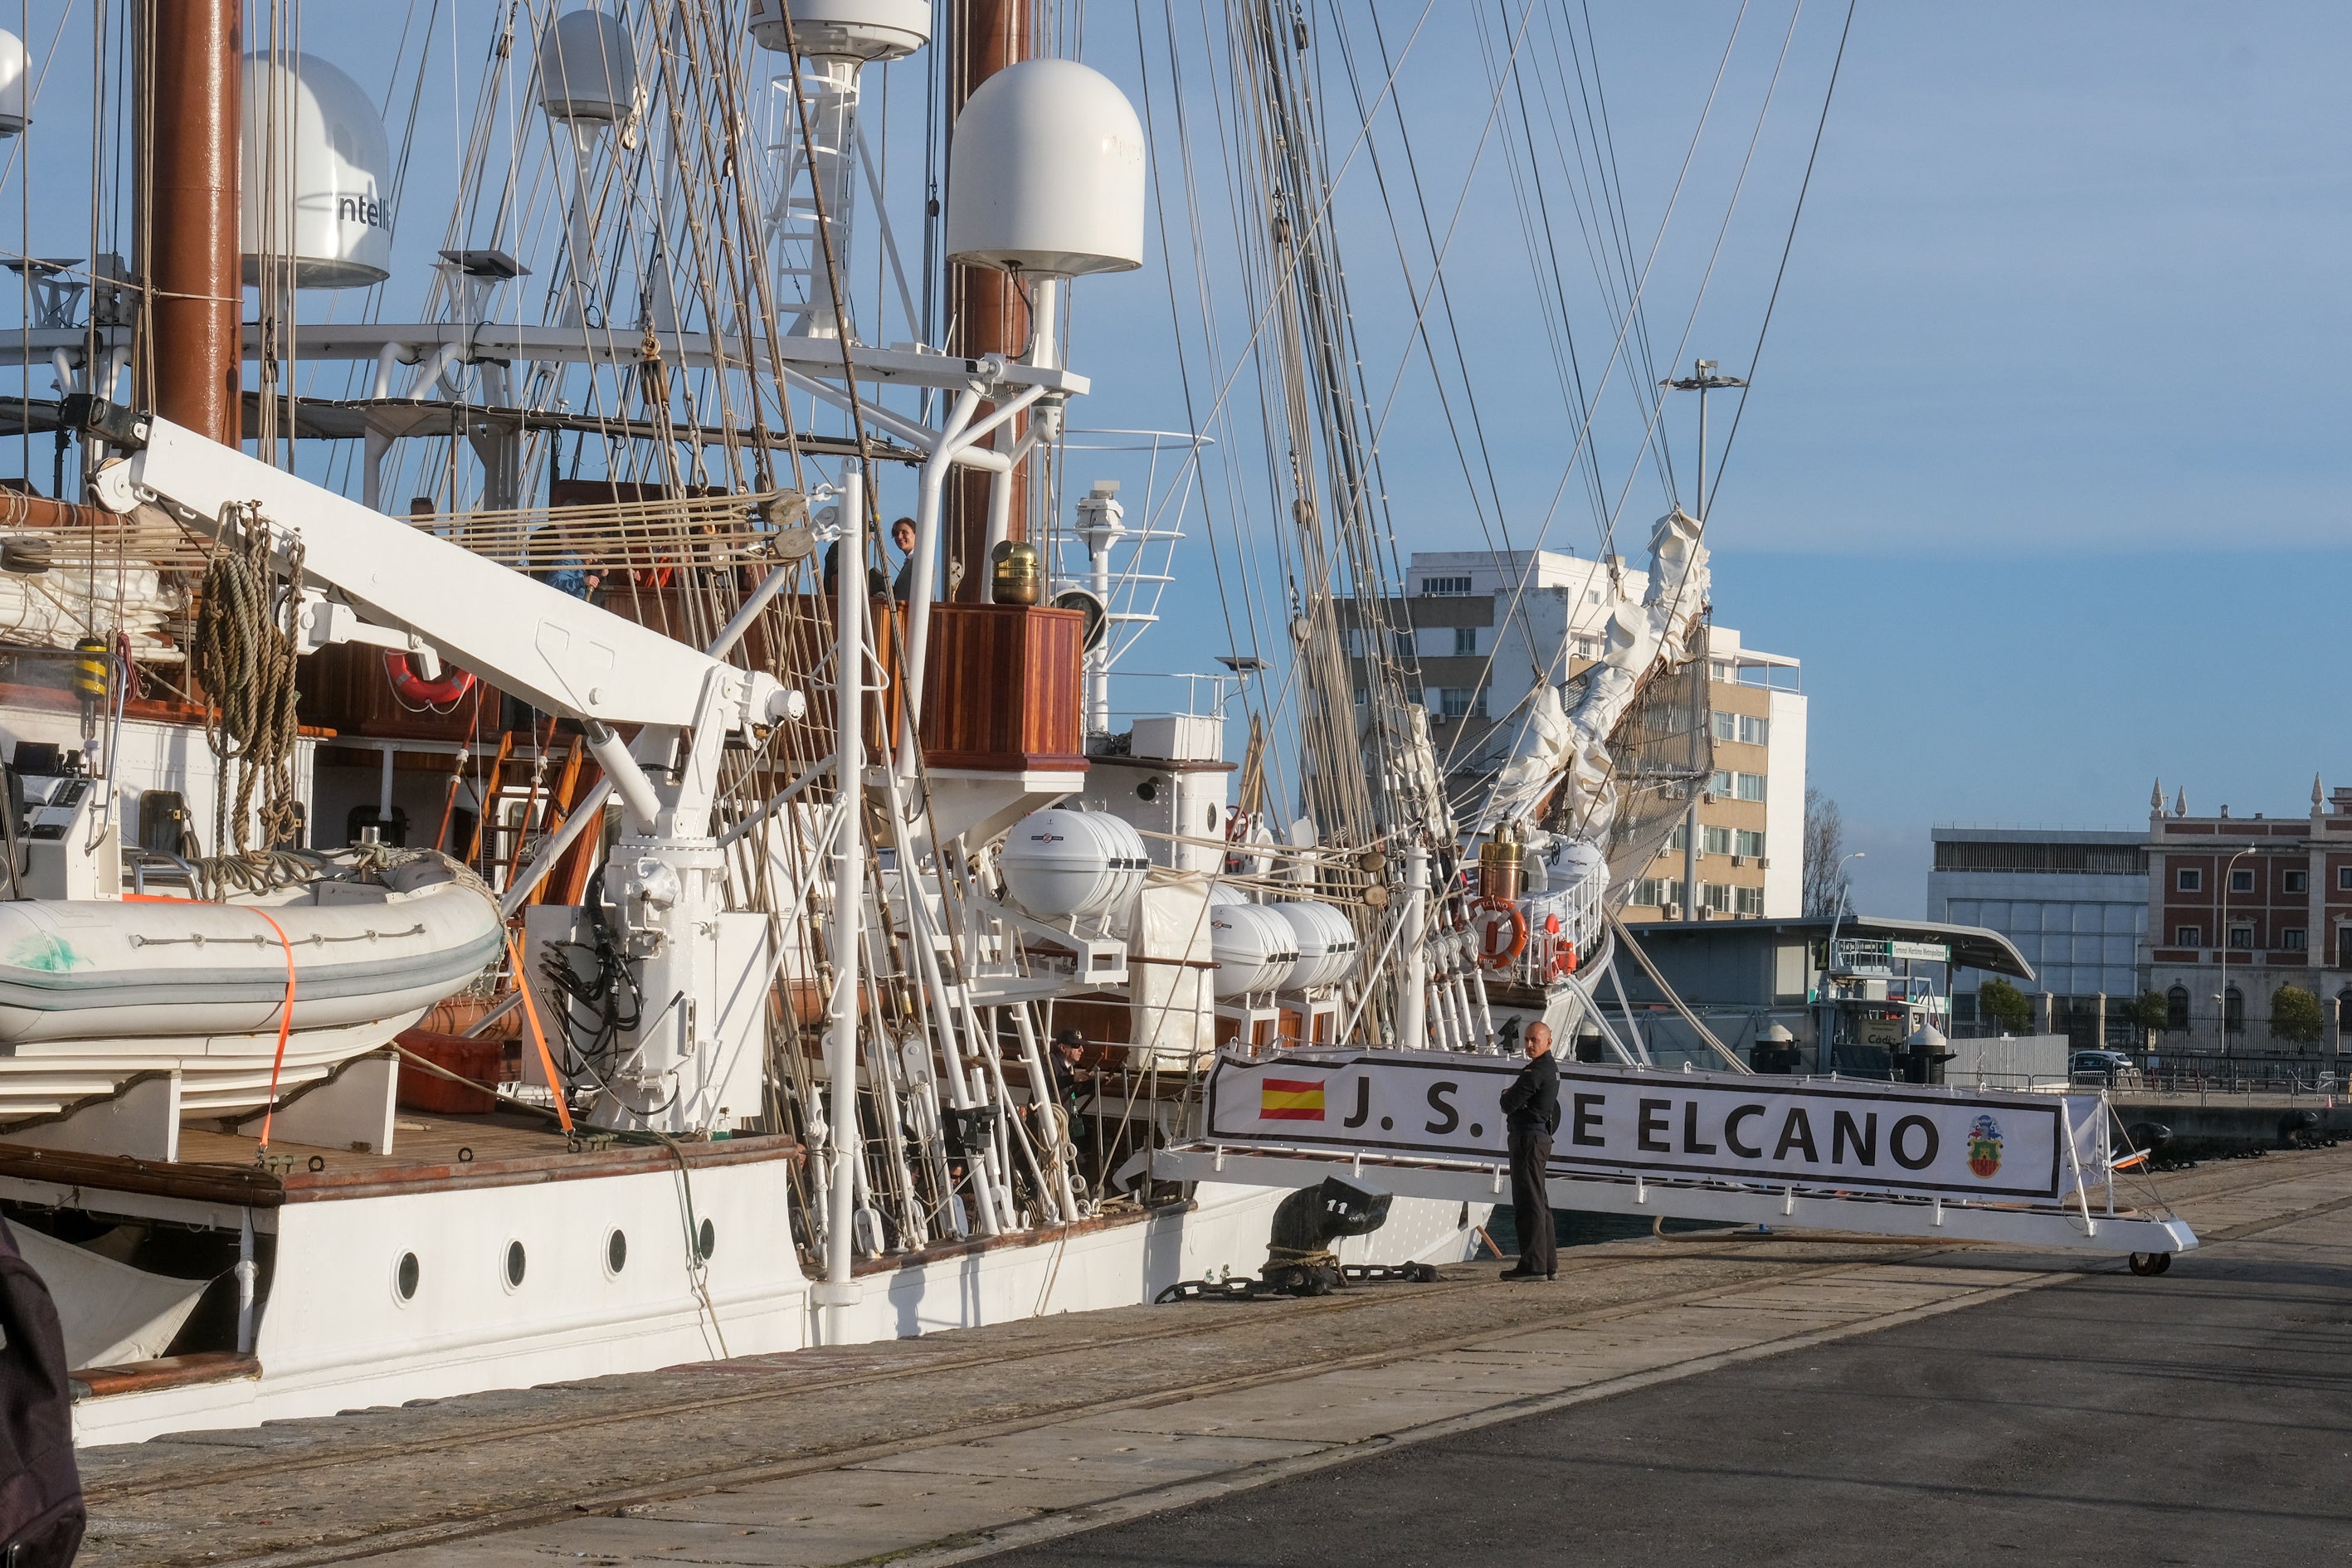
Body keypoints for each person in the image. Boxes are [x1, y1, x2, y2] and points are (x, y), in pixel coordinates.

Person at [1497, 1020, 1560, 1281]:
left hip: (1528, 1140)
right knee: (1540, 1202)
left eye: (1534, 1040)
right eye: (1526, 1040)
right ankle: (1547, 1263)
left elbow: (1507, 1103)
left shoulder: (1535, 1071)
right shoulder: (1551, 1069)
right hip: (1538, 1138)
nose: (1529, 1045)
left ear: (1548, 1041)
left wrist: (1508, 1093)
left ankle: (1533, 1265)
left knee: (1528, 1202)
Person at [889, 517, 919, 602]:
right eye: (896, 534)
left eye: (904, 533)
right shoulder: (909, 563)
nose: (899, 537)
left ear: (916, 534)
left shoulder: (920, 563)